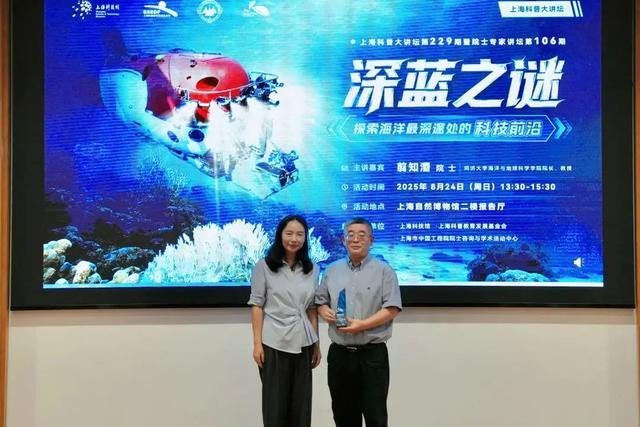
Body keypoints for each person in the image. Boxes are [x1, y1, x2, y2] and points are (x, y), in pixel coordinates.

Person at [316, 217, 402, 427]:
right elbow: (320, 301)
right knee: (343, 415)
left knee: (375, 416)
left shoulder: (384, 271)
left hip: (372, 355)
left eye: (362, 235)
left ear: (371, 240)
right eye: (350, 235)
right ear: (343, 240)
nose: (355, 239)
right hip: (340, 355)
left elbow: (392, 308)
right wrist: (324, 311)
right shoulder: (332, 270)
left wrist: (362, 325)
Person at [248, 214, 321, 427]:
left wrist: (317, 344)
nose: (294, 239)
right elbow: (257, 305)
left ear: (305, 238)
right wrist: (257, 344)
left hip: (304, 342)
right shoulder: (264, 266)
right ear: (280, 235)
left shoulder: (312, 269)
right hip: (274, 342)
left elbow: (311, 309)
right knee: (275, 406)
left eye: (299, 234)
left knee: (301, 407)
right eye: (289, 233)